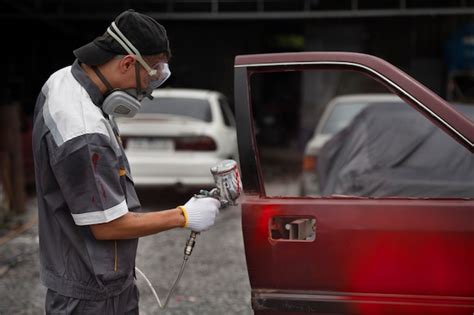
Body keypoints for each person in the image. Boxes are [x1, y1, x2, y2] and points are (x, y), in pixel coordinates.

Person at [31, 9, 220, 314]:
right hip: (91, 295)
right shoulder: (83, 131)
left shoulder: (64, 80)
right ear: (127, 63)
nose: (147, 90)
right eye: (151, 75)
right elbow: (108, 226)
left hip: (87, 275)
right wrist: (183, 215)